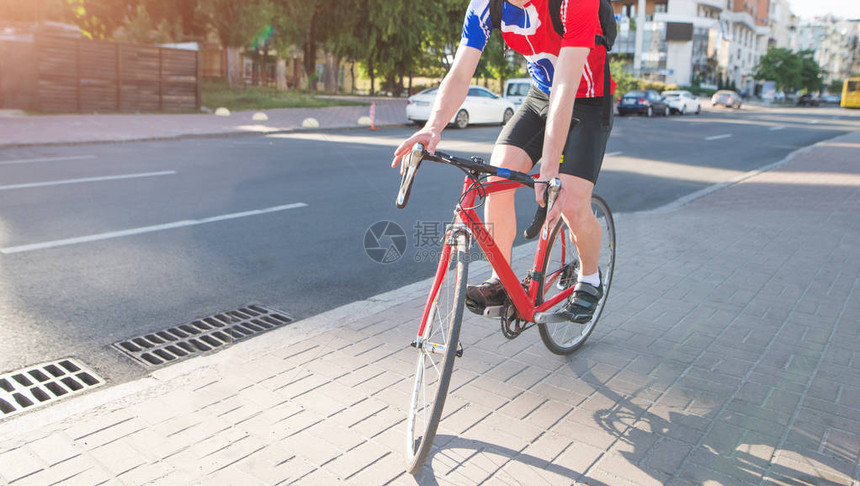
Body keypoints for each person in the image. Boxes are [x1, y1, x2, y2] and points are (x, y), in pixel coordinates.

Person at [392, 0, 614, 323]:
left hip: (588, 99)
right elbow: (460, 72)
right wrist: (432, 127)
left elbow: (566, 88)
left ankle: (590, 278)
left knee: (571, 202)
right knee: (497, 179)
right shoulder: (486, 5)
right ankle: (503, 280)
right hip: (541, 94)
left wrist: (550, 167)